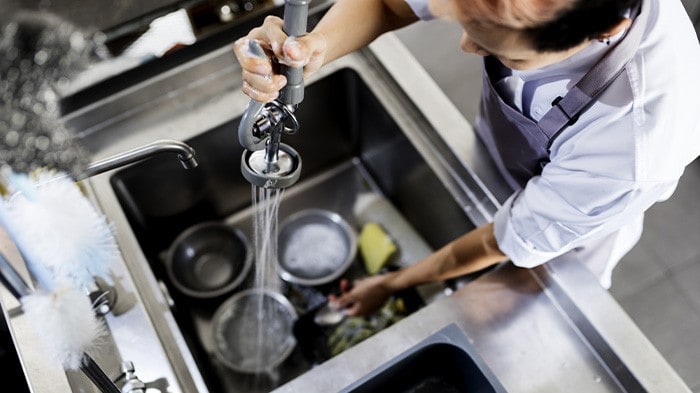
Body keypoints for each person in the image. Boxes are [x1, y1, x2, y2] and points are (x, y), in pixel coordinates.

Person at [233, 0, 700, 316]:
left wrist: (392, 284)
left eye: (498, 50)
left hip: (565, 236)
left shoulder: (636, 141)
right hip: (506, 163)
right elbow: (393, 3)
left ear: (606, 31)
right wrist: (316, 47)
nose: (465, 47)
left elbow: (507, 239)